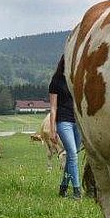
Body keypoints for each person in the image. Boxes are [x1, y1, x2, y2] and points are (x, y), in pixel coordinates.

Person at [49, 55, 81, 198]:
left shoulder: (76, 79)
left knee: (72, 156)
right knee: (73, 154)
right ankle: (77, 191)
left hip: (78, 122)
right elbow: (53, 107)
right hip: (64, 122)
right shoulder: (56, 81)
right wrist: (52, 129)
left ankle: (63, 188)